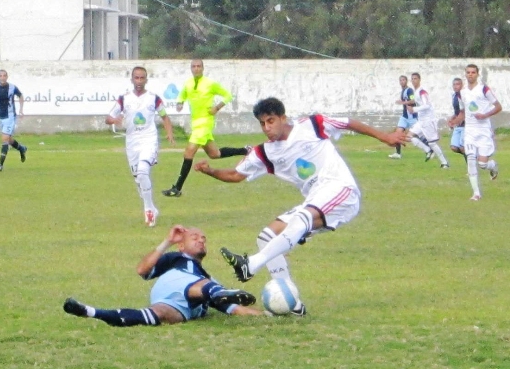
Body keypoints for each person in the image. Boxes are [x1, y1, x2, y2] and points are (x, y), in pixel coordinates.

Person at [194, 97, 407, 313]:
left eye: (271, 121)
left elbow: (349, 123)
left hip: (342, 190)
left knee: (302, 217)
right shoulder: (265, 152)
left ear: (283, 118)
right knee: (267, 236)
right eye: (262, 123)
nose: (267, 128)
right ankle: (292, 302)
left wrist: (386, 137)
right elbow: (235, 174)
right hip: (315, 200)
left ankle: (252, 264)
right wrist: (210, 171)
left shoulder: (312, 125)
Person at [63, 225, 263, 327]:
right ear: (182, 245)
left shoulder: (208, 278)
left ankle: (90, 312)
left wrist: (269, 314)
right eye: (194, 237)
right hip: (175, 291)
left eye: (203, 239)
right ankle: (217, 294)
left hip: (181, 308)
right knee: (208, 287)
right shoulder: (177, 258)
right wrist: (167, 241)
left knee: (158, 315)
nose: (201, 240)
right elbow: (142, 270)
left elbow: (235, 309)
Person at [162, 59, 249, 197]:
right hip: (195, 123)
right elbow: (182, 95)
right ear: (191, 68)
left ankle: (177, 188)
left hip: (205, 122)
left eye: (198, 66)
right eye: (193, 66)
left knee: (189, 152)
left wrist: (217, 107)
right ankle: (246, 150)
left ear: (203, 68)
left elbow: (228, 95)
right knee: (214, 154)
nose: (196, 69)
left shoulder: (210, 83)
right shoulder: (188, 83)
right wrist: (179, 103)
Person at [105, 66, 175, 227]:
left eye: (142, 78)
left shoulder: (154, 98)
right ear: (132, 79)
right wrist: (114, 120)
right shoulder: (124, 99)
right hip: (132, 142)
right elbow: (108, 118)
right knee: (139, 179)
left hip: (149, 139)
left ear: (146, 80)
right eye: (136, 78)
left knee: (143, 171)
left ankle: (149, 210)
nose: (139, 81)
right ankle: (151, 207)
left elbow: (165, 117)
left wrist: (169, 133)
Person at [453, 64, 502, 201]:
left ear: (477, 74)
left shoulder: (484, 89)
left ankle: (492, 166)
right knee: (470, 159)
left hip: (483, 130)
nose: (470, 74)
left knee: (482, 164)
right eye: (468, 72)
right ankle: (476, 193)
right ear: (465, 74)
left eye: (473, 72)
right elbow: (463, 112)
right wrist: (455, 121)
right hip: (469, 131)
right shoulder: (462, 93)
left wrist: (485, 115)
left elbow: (498, 106)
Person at [406, 72, 450, 168]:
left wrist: (414, 109)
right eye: (412, 79)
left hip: (428, 120)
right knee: (408, 136)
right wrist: (407, 103)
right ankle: (428, 150)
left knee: (432, 143)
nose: (414, 80)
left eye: (415, 78)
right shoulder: (414, 91)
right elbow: (413, 101)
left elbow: (427, 105)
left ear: (419, 80)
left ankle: (444, 163)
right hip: (420, 120)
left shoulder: (422, 92)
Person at [0, 69, 27, 172]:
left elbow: (21, 96)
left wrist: (21, 109)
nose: (2, 77)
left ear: (7, 77)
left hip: (10, 116)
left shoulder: (12, 87)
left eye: (4, 76)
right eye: (0, 76)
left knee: (4, 139)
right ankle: (21, 148)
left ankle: (0, 164)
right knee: (8, 139)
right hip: (0, 117)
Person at [389, 75, 422, 159]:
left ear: (406, 81)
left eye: (403, 80)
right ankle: (398, 153)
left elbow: (413, 101)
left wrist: (402, 102)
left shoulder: (409, 90)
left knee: (419, 135)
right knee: (398, 133)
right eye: (400, 80)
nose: (402, 82)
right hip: (404, 116)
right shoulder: (403, 90)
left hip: (412, 117)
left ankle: (430, 148)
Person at [447, 77, 466, 161]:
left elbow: (465, 111)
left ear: (462, 85)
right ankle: (472, 156)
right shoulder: (454, 96)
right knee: (454, 147)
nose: (455, 86)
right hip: (458, 125)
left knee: (463, 147)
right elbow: (457, 111)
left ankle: (471, 168)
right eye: (454, 84)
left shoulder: (464, 95)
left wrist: (457, 120)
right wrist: (452, 118)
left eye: (457, 84)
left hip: (466, 125)